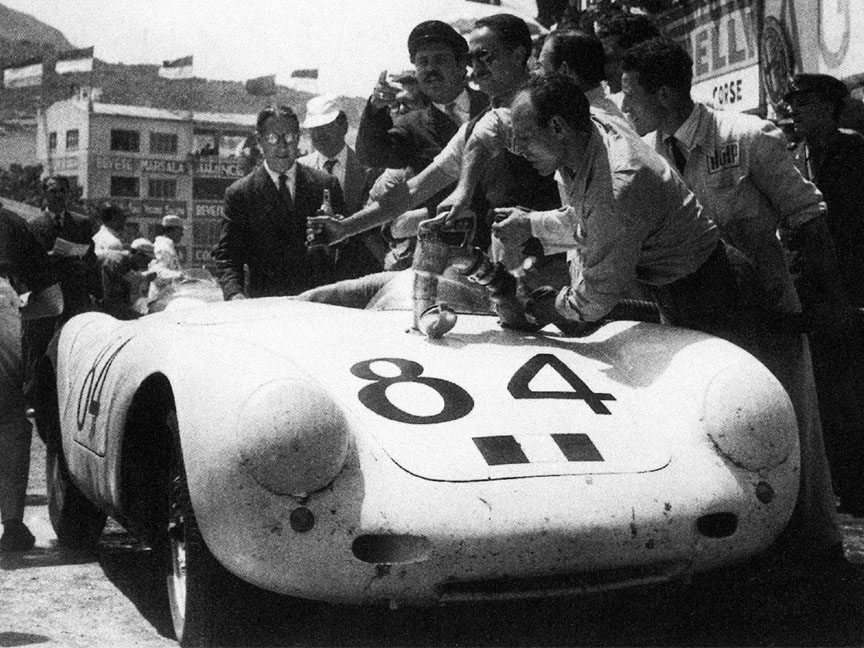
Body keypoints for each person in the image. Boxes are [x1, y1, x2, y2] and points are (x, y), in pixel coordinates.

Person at [620, 37, 844, 564]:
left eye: (632, 94)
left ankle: (818, 556)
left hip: (768, 313)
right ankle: (746, 555)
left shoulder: (746, 136)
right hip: (694, 322)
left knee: (793, 435)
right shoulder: (646, 158)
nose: (625, 106)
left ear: (666, 92)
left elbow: (809, 217)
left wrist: (824, 301)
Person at [497, 73, 740, 336]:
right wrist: (530, 225)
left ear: (557, 127)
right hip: (683, 283)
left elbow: (596, 296)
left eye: (524, 138)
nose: (518, 150)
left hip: (709, 294)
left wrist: (541, 309)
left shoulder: (617, 186)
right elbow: (591, 219)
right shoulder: (589, 125)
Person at [311, 14, 561, 269]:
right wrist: (344, 228)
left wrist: (535, 223)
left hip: (564, 262)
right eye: (473, 59)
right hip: (511, 268)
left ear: (518, 55)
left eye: (485, 56)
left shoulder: (557, 106)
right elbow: (413, 190)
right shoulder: (479, 126)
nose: (478, 67)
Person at [784, 73, 864, 516]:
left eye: (806, 102)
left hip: (854, 282)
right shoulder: (792, 157)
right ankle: (845, 482)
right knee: (828, 391)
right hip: (811, 290)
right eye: (791, 102)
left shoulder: (855, 151)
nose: (795, 109)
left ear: (831, 107)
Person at [355, 20, 490, 270]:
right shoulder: (412, 126)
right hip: (450, 256)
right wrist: (375, 107)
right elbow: (371, 155)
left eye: (439, 60)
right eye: (422, 62)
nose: (430, 69)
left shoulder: (492, 106)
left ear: (462, 65)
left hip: (502, 243)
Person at [213, 105, 345, 300]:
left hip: (318, 304)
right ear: (260, 141)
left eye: (290, 137)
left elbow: (348, 248)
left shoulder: (325, 185)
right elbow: (228, 257)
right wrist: (235, 295)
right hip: (266, 305)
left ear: (299, 138)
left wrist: (339, 232)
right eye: (273, 138)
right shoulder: (240, 194)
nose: (283, 147)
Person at [0, 207, 63, 552]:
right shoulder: (11, 223)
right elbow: (53, 302)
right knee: (8, 420)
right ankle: (11, 524)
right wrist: (19, 312)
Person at [22, 176, 101, 410]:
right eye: (54, 191)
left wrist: (92, 284)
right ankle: (35, 398)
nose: (59, 195)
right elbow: (27, 260)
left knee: (75, 343)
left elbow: (91, 257)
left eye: (63, 191)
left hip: (75, 292)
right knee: (40, 343)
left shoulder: (81, 222)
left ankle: (71, 395)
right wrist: (47, 259)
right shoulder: (34, 224)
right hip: (46, 292)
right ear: (45, 194)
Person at [299, 95, 385, 278]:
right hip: (309, 273)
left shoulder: (371, 170)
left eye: (326, 127)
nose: (319, 135)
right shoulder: (299, 169)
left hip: (357, 272)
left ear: (343, 126)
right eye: (314, 129)